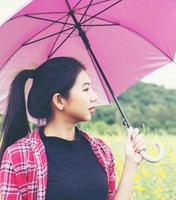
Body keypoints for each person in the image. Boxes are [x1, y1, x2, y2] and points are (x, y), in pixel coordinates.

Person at [0, 57, 146, 200]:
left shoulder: (101, 150)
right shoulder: (19, 156)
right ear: (59, 100)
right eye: (86, 89)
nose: (94, 96)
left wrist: (131, 164)